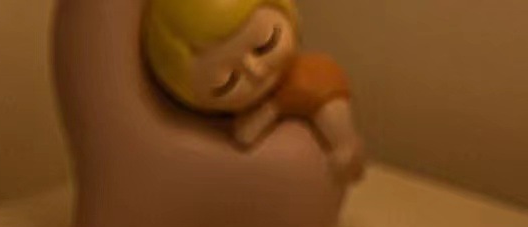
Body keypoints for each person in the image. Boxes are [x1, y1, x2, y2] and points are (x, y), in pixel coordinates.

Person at [145, 0, 365, 183]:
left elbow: (330, 99)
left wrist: (344, 145)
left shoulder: (310, 73)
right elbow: (245, 135)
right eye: (228, 83)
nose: (257, 72)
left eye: (266, 45)